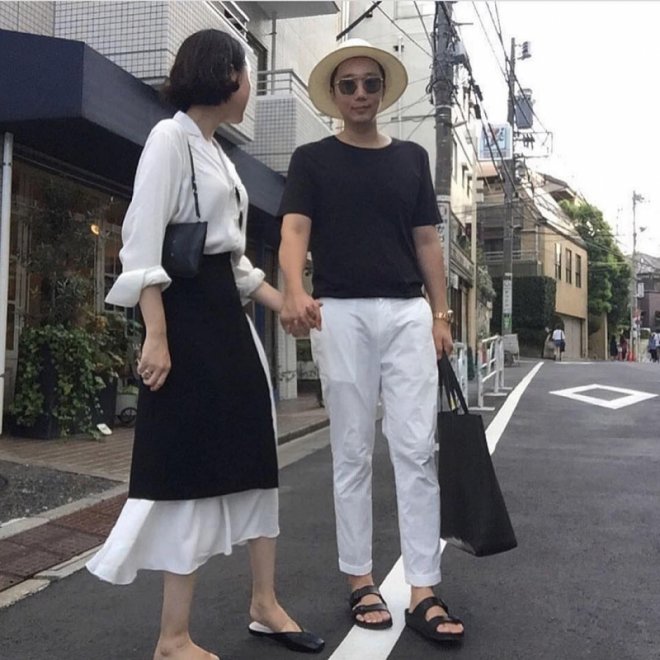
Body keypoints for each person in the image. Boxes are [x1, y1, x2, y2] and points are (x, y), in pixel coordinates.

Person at [86, 30, 323, 660]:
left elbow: (233, 263)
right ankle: (172, 638)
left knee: (257, 457)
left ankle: (265, 603)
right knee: (189, 470)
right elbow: (141, 244)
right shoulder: (169, 139)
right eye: (247, 72)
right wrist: (157, 334)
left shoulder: (219, 153)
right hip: (186, 319)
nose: (250, 87)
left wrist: (286, 303)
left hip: (224, 318)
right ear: (225, 76)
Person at [278, 39, 464, 645]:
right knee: (352, 451)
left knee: (416, 449)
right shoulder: (312, 159)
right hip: (341, 313)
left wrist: (440, 314)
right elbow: (294, 230)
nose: (360, 94)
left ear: (383, 91)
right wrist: (295, 288)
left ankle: (423, 589)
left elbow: (428, 240)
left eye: (370, 84)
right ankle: (360, 580)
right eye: (348, 85)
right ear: (334, 94)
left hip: (408, 312)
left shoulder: (411, 158)